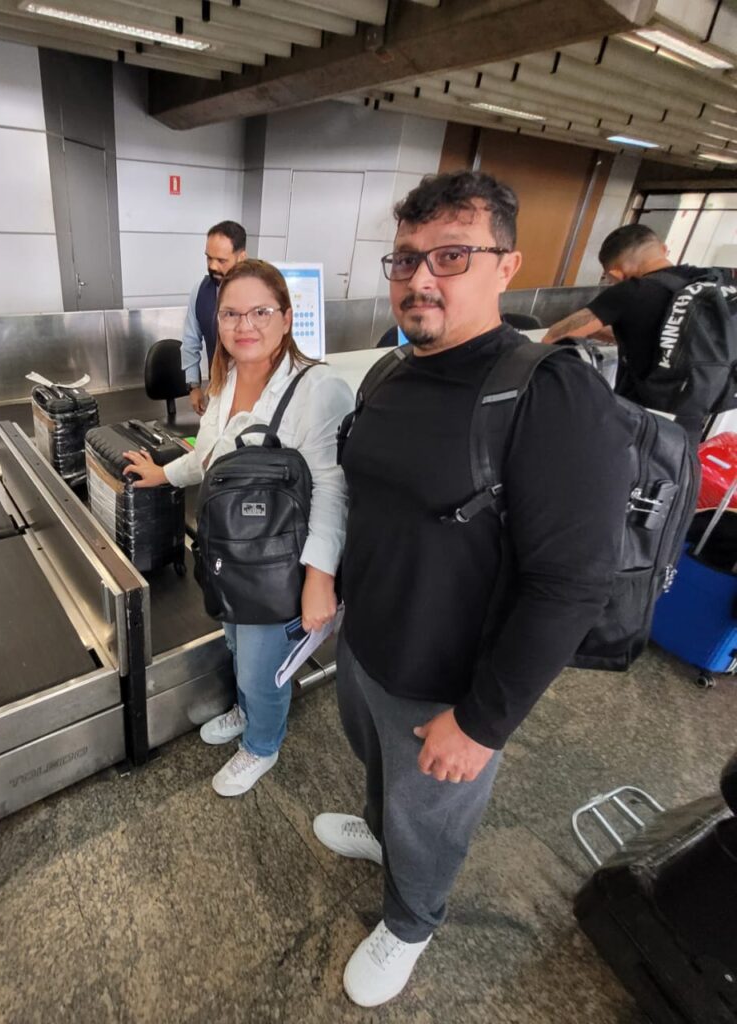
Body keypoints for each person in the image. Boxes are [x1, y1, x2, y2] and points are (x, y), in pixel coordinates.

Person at [314, 171, 631, 1007]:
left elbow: (572, 584)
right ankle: (384, 835)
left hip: (449, 684)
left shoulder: (546, 392)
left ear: (506, 266)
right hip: (368, 644)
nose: (420, 278)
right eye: (406, 258)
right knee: (383, 777)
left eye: (451, 256)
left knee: (431, 818)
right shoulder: (390, 371)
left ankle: (412, 918)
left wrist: (484, 723)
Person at [123, 259, 352, 797]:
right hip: (228, 551)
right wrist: (164, 474)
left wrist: (320, 578)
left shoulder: (318, 389)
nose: (243, 325)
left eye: (260, 312)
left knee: (260, 667)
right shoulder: (224, 381)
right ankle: (246, 711)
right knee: (234, 643)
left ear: (287, 317)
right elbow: (209, 457)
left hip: (279, 564)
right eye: (230, 314)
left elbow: (333, 490)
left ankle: (262, 744)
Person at [541, 223, 709, 440]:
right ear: (664, 249)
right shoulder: (702, 283)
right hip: (688, 424)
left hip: (638, 421)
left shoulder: (633, 290)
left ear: (616, 274)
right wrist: (598, 332)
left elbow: (554, 336)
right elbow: (658, 337)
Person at [182, 221, 247, 417]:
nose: (212, 266)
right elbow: (190, 341)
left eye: (221, 260)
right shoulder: (200, 292)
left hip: (254, 396)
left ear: (241, 258)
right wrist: (193, 385)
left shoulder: (258, 293)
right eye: (209, 258)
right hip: (217, 392)